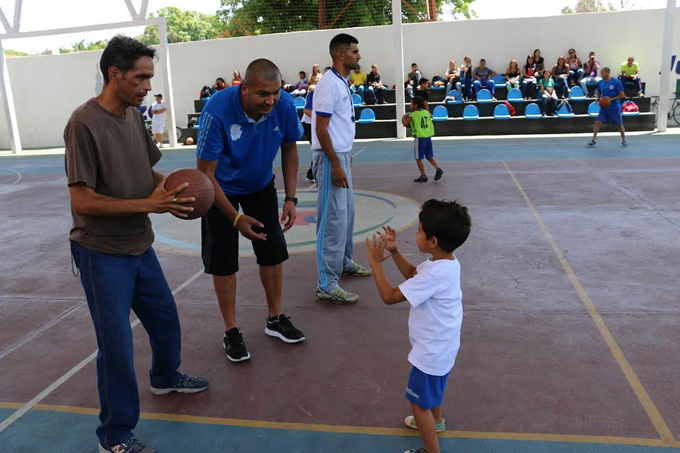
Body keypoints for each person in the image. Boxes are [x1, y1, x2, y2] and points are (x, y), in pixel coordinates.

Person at [65, 36, 208, 453]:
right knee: (116, 347)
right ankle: (114, 436)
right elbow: (82, 199)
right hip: (100, 252)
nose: (148, 86)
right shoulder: (83, 124)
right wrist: (149, 203)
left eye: (149, 76)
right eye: (141, 77)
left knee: (164, 318)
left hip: (138, 244)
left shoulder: (132, 116)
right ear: (114, 74)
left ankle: (165, 377)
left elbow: (149, 175)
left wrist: (182, 191)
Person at [196, 58, 306, 363]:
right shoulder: (217, 112)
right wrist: (235, 217)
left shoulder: (282, 104)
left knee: (272, 252)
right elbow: (205, 173)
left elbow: (290, 148)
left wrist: (291, 198)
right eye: (262, 94)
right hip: (221, 189)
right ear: (244, 88)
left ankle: (275, 318)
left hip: (260, 185)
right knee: (224, 261)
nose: (271, 100)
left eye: (275, 92)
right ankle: (231, 330)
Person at [364, 199, 471, 453]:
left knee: (418, 404)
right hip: (444, 346)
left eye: (420, 230)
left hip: (431, 351)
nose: (417, 233)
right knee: (435, 387)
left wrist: (376, 263)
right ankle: (437, 421)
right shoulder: (446, 263)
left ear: (433, 241)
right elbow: (414, 275)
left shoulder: (435, 273)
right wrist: (393, 252)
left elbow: (389, 296)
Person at [312, 33, 372, 304]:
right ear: (341, 55)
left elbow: (337, 126)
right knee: (332, 220)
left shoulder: (341, 82)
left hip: (341, 156)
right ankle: (326, 283)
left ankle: (345, 262)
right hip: (330, 159)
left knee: (346, 215)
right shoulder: (328, 84)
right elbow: (320, 128)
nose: (359, 56)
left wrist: (346, 156)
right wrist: (336, 163)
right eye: (355, 51)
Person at [402, 96, 442, 183]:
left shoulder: (412, 115)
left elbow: (405, 124)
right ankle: (438, 169)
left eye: (411, 103)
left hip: (419, 138)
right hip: (427, 137)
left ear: (416, 105)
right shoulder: (426, 113)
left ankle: (423, 176)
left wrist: (404, 117)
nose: (410, 105)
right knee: (429, 156)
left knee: (418, 158)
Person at [587, 67, 627, 148]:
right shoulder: (601, 82)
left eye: (602, 73)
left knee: (619, 124)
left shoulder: (616, 82)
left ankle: (624, 140)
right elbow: (599, 91)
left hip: (614, 106)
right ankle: (593, 140)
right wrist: (598, 98)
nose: (601, 75)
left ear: (607, 73)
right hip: (604, 106)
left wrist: (610, 99)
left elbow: (622, 94)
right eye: (601, 73)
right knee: (598, 122)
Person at [301, 89, 315, 183]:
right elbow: (306, 110)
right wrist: (319, 119)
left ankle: (312, 174)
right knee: (318, 148)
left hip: (314, 124)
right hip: (308, 124)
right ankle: (311, 175)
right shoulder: (313, 93)